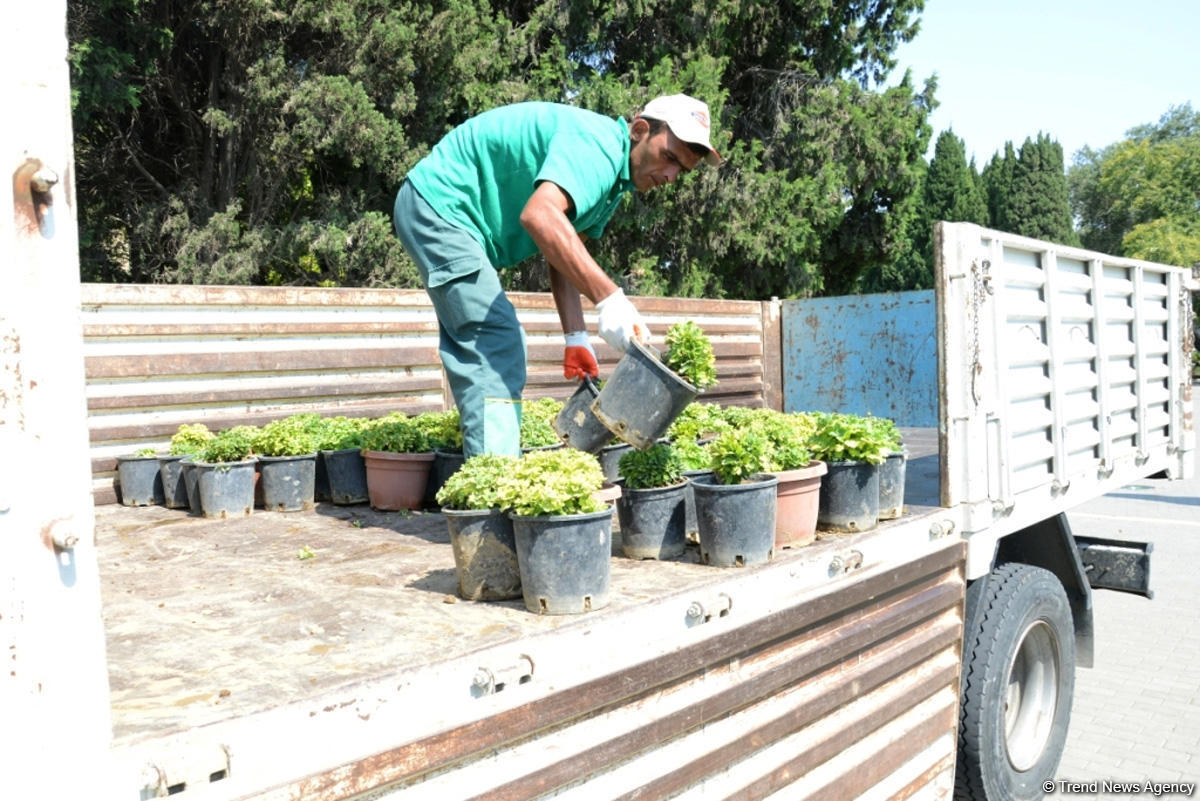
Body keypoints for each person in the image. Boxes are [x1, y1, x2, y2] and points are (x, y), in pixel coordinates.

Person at [393, 94, 721, 457]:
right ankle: (493, 482)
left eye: (683, 171)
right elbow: (540, 216)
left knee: (488, 340)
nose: (672, 176)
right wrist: (610, 298)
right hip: (440, 207)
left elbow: (563, 248)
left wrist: (576, 336)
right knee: (496, 339)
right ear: (640, 130)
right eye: (670, 157)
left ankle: (491, 466)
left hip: (450, 216)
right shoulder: (598, 148)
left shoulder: (614, 182)